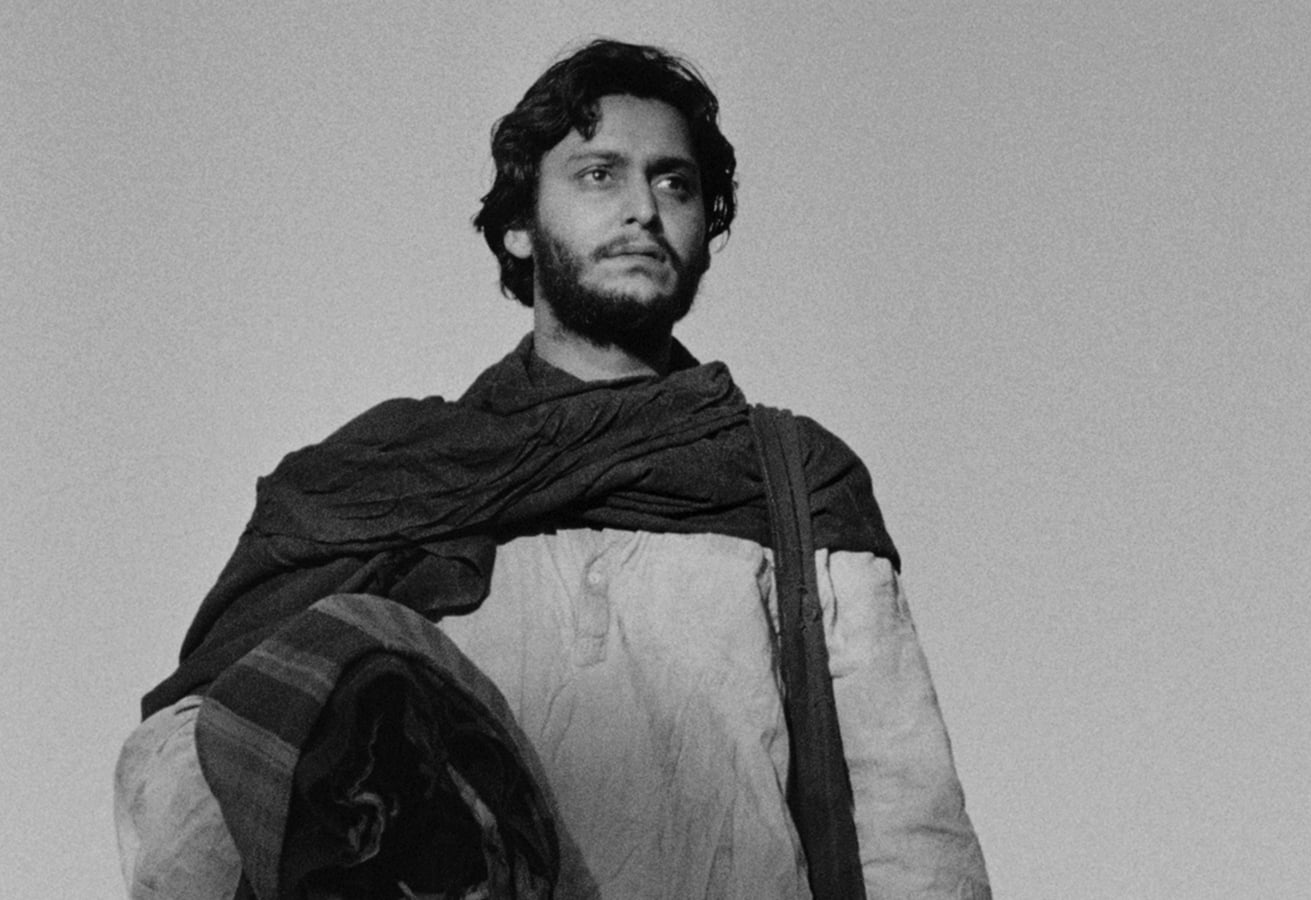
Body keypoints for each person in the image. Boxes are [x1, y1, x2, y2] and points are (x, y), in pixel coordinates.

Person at [115, 39, 990, 899]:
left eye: (674, 183)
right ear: (521, 227)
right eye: (600, 174)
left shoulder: (793, 482)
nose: (644, 209)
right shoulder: (385, 482)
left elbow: (911, 834)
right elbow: (197, 774)